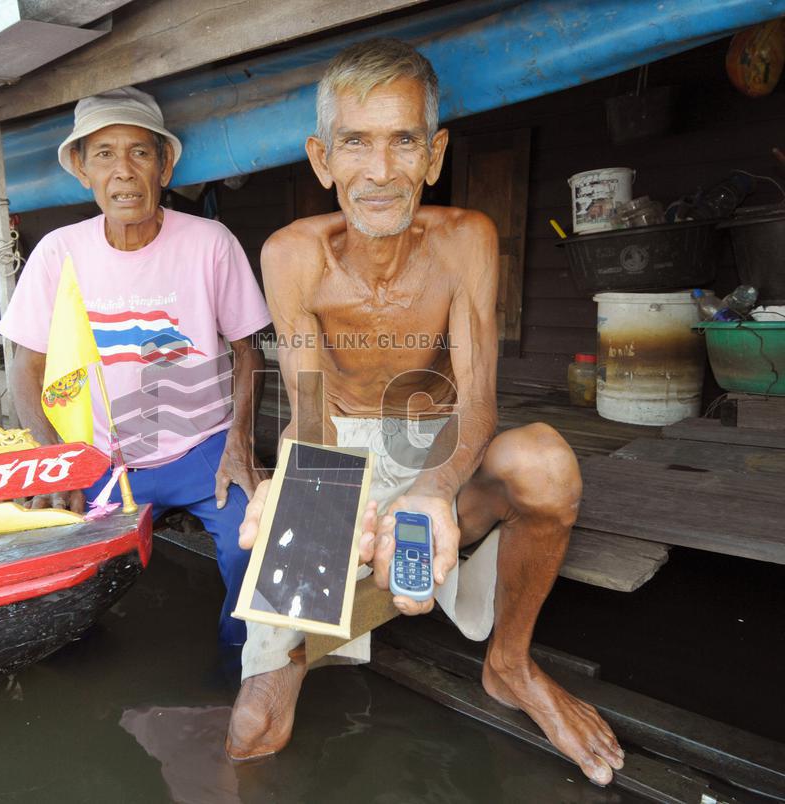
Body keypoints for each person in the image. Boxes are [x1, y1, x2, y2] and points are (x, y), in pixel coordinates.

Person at [225, 40, 625, 786]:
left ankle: (509, 664)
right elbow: (309, 411)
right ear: (322, 160)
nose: (380, 171)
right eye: (355, 143)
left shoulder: (465, 239)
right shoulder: (291, 254)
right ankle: (314, 634)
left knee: (545, 462)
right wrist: (309, 486)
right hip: (335, 448)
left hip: (440, 444)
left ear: (434, 154)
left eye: (404, 141)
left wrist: (434, 488)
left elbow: (478, 399)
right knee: (254, 728)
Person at [0, 87, 271, 647]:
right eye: (104, 154)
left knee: (256, 544)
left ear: (164, 166)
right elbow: (26, 369)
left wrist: (239, 442)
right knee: (55, 569)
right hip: (98, 458)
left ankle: (240, 667)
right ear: (82, 170)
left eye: (140, 153)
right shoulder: (58, 251)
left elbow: (249, 350)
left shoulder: (210, 242)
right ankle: (83, 668)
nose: (123, 171)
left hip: (203, 448)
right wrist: (58, 463)